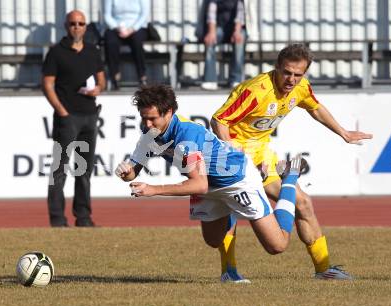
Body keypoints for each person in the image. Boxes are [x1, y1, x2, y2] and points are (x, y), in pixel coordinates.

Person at [210, 43, 373, 281]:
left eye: (298, 74)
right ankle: (229, 272)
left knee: (303, 203)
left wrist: (344, 133)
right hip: (235, 158)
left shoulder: (301, 87)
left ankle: (324, 269)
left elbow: (315, 108)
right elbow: (219, 120)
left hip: (262, 154)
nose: (291, 79)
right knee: (231, 210)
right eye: (287, 72)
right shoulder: (256, 91)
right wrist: (233, 153)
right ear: (277, 67)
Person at [115, 84, 304, 282]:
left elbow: (199, 185)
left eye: (152, 119)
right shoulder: (149, 131)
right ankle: (230, 271)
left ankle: (289, 178)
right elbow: (133, 171)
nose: (147, 124)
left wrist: (153, 189)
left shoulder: (187, 135)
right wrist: (126, 172)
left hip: (236, 180)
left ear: (169, 112)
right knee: (213, 241)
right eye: (143, 118)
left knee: (277, 246)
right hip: (207, 183)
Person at [42, 10, 106, 227]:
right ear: (65, 25)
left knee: (84, 170)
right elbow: (47, 85)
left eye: (80, 23)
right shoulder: (56, 53)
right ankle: (57, 218)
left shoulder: (92, 51)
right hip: (68, 118)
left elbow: (102, 81)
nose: (76, 27)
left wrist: (97, 90)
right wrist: (62, 111)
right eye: (72, 23)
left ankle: (83, 217)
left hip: (90, 115)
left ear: (86, 26)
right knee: (60, 169)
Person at [196, 0, 246, 91]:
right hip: (219, 28)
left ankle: (236, 79)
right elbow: (211, 14)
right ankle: (210, 80)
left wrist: (237, 31)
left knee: (239, 39)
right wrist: (211, 32)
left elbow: (240, 14)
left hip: (235, 28)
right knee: (210, 40)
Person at [103, 0, 150, 89]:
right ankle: (115, 77)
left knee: (137, 42)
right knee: (111, 41)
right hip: (117, 27)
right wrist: (118, 28)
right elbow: (107, 15)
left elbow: (144, 14)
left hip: (137, 27)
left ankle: (142, 76)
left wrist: (132, 29)